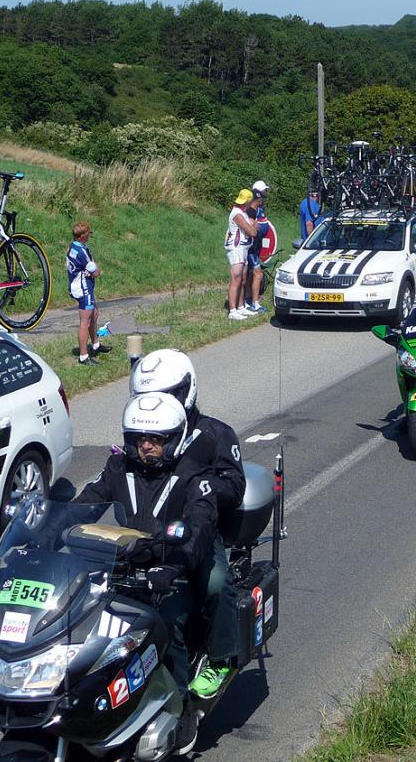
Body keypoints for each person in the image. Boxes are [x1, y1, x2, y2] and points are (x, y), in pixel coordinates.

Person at [74, 392, 220, 755]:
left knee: (167, 626)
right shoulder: (118, 468)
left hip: (172, 573)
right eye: (140, 439)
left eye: (156, 439)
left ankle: (182, 710)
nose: (147, 447)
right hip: (120, 570)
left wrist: (173, 567)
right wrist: (44, 529)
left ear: (173, 439)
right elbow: (85, 503)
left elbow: (200, 528)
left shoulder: (193, 476)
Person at [129, 348, 245, 698]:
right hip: (146, 533)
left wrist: (200, 489)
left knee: (215, 582)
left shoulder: (214, 434)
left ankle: (222, 658)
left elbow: (234, 485)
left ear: (185, 390)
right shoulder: (145, 435)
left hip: (198, 530)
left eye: (166, 395)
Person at [66, 222, 107, 366]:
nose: (90, 235)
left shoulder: (73, 246)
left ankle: (95, 344)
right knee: (85, 321)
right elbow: (95, 272)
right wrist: (96, 271)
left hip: (79, 285)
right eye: (89, 233)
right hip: (83, 288)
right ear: (83, 236)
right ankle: (83, 356)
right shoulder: (82, 252)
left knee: (94, 314)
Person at [225, 189, 259, 320]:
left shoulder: (243, 212)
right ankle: (232, 310)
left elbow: (253, 228)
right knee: (236, 278)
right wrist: (254, 228)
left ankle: (241, 306)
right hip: (236, 248)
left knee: (243, 279)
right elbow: (252, 231)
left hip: (244, 248)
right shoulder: (237, 213)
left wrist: (253, 227)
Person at [243, 180, 271, 315]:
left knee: (250, 274)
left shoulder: (260, 209)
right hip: (251, 247)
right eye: (265, 192)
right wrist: (256, 228)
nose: (266, 194)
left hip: (256, 246)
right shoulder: (250, 210)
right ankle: (255, 304)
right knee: (257, 274)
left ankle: (249, 298)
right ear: (259, 194)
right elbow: (253, 229)